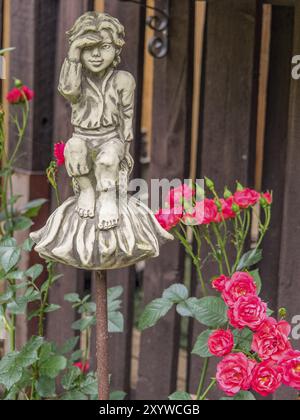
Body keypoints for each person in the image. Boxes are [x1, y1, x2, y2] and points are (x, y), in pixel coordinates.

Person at [58, 12, 135, 230]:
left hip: (110, 137)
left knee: (108, 158)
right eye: (88, 48)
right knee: (73, 148)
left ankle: (108, 198)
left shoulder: (123, 80)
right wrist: (73, 52)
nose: (96, 55)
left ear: (117, 48)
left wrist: (124, 153)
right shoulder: (77, 79)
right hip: (82, 136)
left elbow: (127, 117)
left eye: (105, 47)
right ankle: (86, 190)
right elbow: (68, 90)